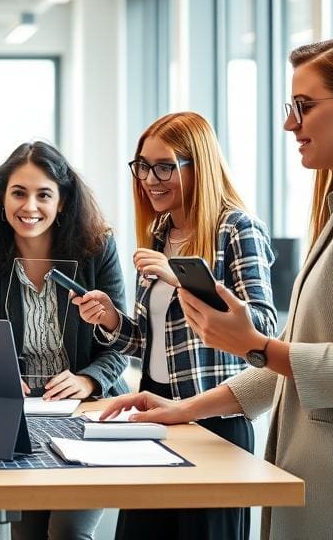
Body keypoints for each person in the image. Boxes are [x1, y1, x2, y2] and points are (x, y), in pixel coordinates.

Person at [102, 36, 333, 539]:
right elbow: (294, 364)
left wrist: (255, 345)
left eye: (305, 107)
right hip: (332, 479)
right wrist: (186, 409)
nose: (291, 123)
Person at [73, 111, 276, 540]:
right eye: (143, 166)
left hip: (214, 415)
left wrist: (179, 276)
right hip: (155, 409)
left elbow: (262, 327)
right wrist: (110, 317)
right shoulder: (160, 233)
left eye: (164, 166)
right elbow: (150, 341)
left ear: (197, 165)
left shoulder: (237, 228)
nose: (150, 178)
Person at [0, 141, 129, 540]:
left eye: (44, 195)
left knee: (69, 531)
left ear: (63, 202)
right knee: (27, 534)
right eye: (19, 193)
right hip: (19, 413)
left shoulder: (97, 250)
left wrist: (88, 379)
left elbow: (122, 339)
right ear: (1, 199)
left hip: (89, 409)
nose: (30, 206)